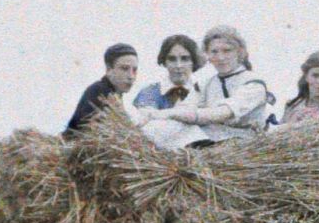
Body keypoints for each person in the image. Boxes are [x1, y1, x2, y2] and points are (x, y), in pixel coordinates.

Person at [141, 24, 274, 148]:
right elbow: (185, 108)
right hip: (213, 138)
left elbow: (221, 114)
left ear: (239, 52)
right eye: (214, 52)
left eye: (227, 51)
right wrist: (155, 117)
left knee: (174, 124)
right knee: (163, 127)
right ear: (207, 55)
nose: (220, 57)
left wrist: (168, 113)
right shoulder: (206, 83)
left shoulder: (253, 83)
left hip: (243, 144)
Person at [132, 34, 202, 136]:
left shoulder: (202, 91)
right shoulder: (149, 92)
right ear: (164, 62)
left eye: (185, 59)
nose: (178, 65)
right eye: (172, 59)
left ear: (193, 61)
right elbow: (145, 122)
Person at [64, 43, 139, 138]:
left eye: (135, 70)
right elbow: (82, 132)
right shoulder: (99, 91)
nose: (131, 76)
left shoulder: (114, 94)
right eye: (124, 69)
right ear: (109, 69)